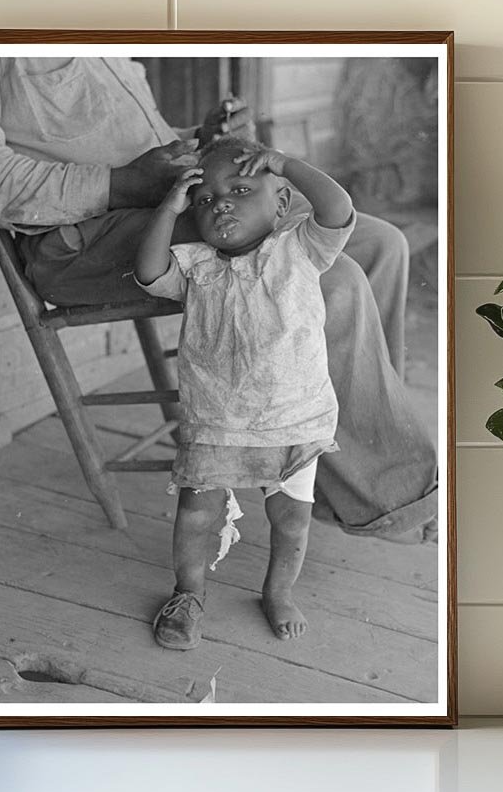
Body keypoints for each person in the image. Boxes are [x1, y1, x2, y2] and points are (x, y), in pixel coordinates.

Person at [0, 56, 436, 538]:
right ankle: (388, 498)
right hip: (83, 236)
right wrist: (122, 182)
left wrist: (200, 137)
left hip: (156, 196)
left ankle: (340, 470)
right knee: (333, 279)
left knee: (380, 244)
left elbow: (122, 142)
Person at [135, 137, 355, 647]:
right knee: (195, 513)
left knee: (291, 520)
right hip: (216, 422)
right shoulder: (194, 265)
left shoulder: (301, 247)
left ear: (280, 205)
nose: (222, 203)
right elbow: (148, 271)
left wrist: (285, 165)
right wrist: (170, 208)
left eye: (239, 188)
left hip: (294, 419)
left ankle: (278, 591)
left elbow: (338, 209)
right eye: (206, 199)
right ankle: (188, 593)